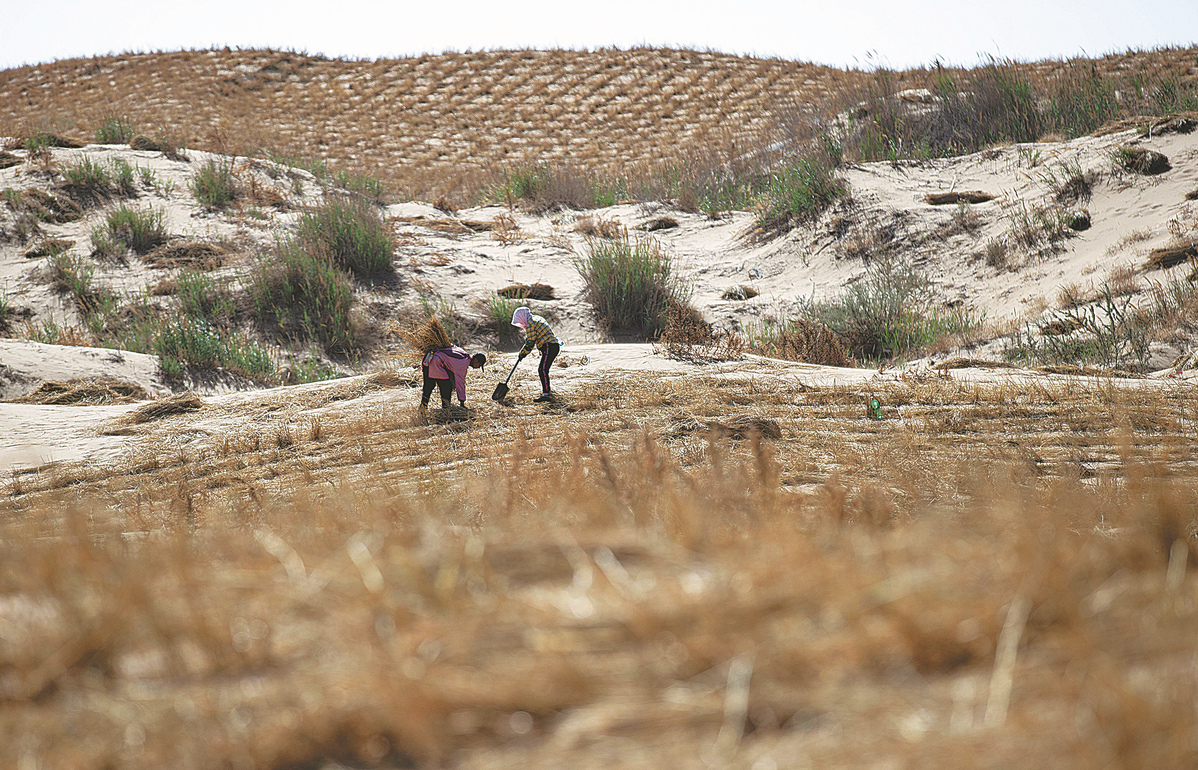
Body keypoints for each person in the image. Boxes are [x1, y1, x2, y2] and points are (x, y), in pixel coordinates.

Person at [512, 306, 560, 402]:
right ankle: (547, 392)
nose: (521, 324)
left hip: (548, 346)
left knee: (542, 369)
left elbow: (530, 342)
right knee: (543, 369)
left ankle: (546, 394)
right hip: (554, 346)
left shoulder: (531, 323)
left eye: (520, 321)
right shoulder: (537, 318)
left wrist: (522, 354)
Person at [421, 346, 486, 409]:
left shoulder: (463, 353)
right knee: (446, 386)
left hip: (428, 358)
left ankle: (423, 407)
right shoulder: (463, 364)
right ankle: (446, 409)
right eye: (479, 365)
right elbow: (460, 383)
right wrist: (462, 401)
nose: (478, 367)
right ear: (475, 360)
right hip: (435, 362)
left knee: (429, 385)